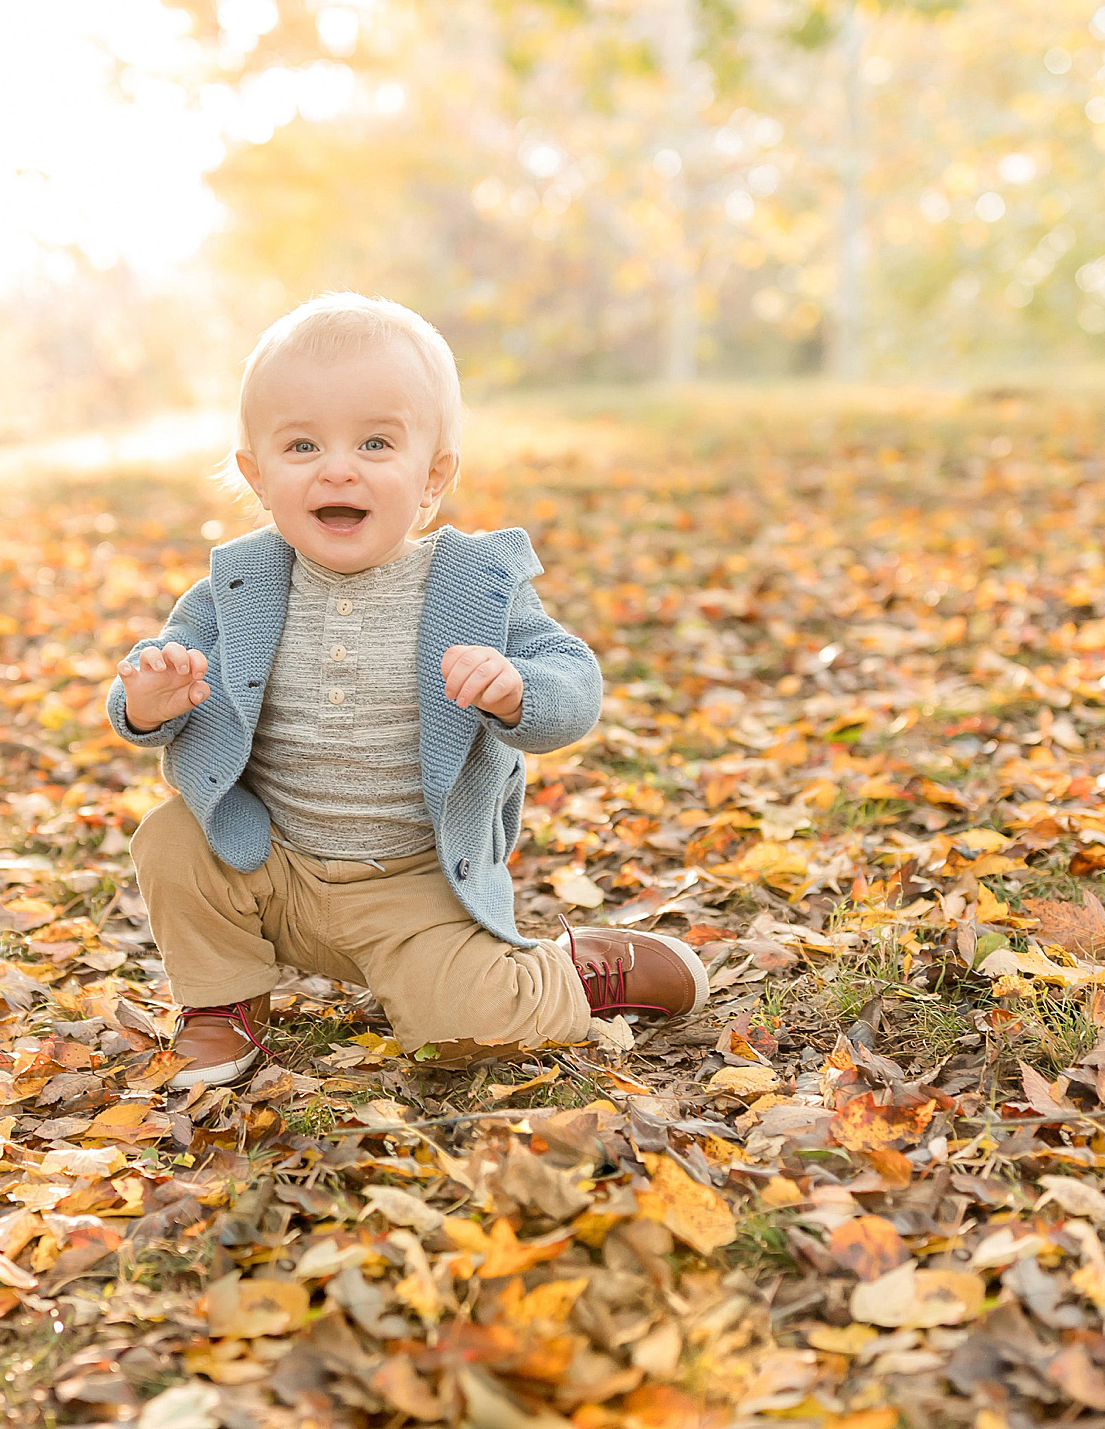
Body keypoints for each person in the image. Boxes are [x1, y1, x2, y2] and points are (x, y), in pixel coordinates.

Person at [105, 293, 709, 1089]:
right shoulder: (236, 586)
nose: (338, 466)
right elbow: (156, 673)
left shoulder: (472, 584)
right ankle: (223, 1007)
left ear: (432, 477)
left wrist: (518, 688)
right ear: (257, 475)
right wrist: (148, 702)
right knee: (172, 839)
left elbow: (575, 681)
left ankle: (572, 971)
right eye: (303, 444)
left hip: (417, 886)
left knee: (467, 1032)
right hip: (271, 864)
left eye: (376, 441)